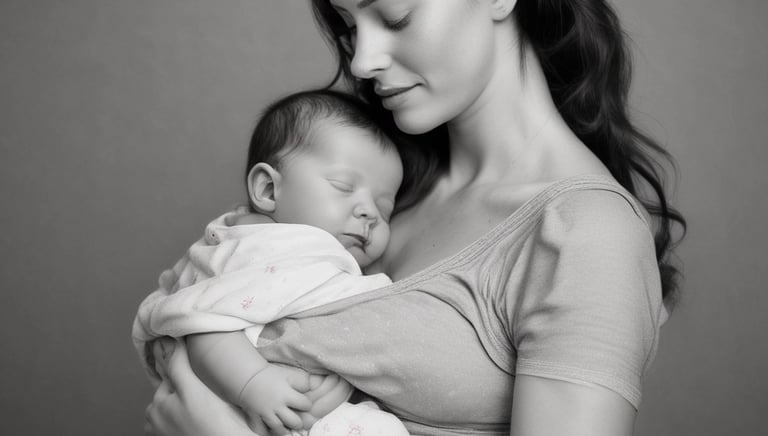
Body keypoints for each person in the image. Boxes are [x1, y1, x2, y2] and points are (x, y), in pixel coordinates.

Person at [143, 1, 687, 435]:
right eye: (348, 24)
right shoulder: (375, 196)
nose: (359, 61)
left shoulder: (586, 232)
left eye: (395, 15)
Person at [134, 90, 410, 436]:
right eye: (343, 186)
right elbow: (204, 324)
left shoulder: (324, 257)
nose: (369, 212)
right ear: (267, 189)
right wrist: (255, 382)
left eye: (385, 208)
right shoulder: (256, 248)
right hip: (247, 404)